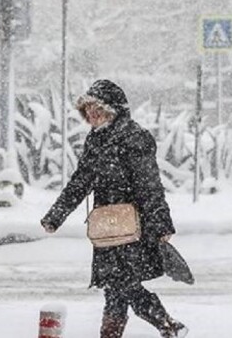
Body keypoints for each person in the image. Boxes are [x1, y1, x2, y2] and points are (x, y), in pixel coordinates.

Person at [40, 79, 188, 338]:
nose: (91, 115)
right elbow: (81, 181)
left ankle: (166, 325)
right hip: (106, 227)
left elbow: (149, 185)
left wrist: (161, 223)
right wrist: (56, 216)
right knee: (115, 286)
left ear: (113, 109)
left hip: (133, 225)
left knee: (122, 283)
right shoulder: (95, 140)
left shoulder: (134, 137)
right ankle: (151, 328)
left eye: (97, 109)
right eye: (88, 111)